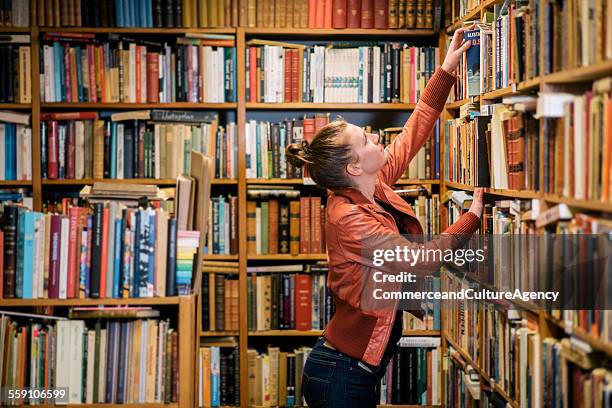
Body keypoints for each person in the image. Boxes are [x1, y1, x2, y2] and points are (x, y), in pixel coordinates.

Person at [285, 26, 484, 407]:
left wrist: (445, 71)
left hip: (354, 371)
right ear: (354, 168)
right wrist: (471, 218)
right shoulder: (349, 219)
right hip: (340, 376)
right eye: (367, 140)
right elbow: (420, 259)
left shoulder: (368, 186)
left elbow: (412, 134)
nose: (377, 140)